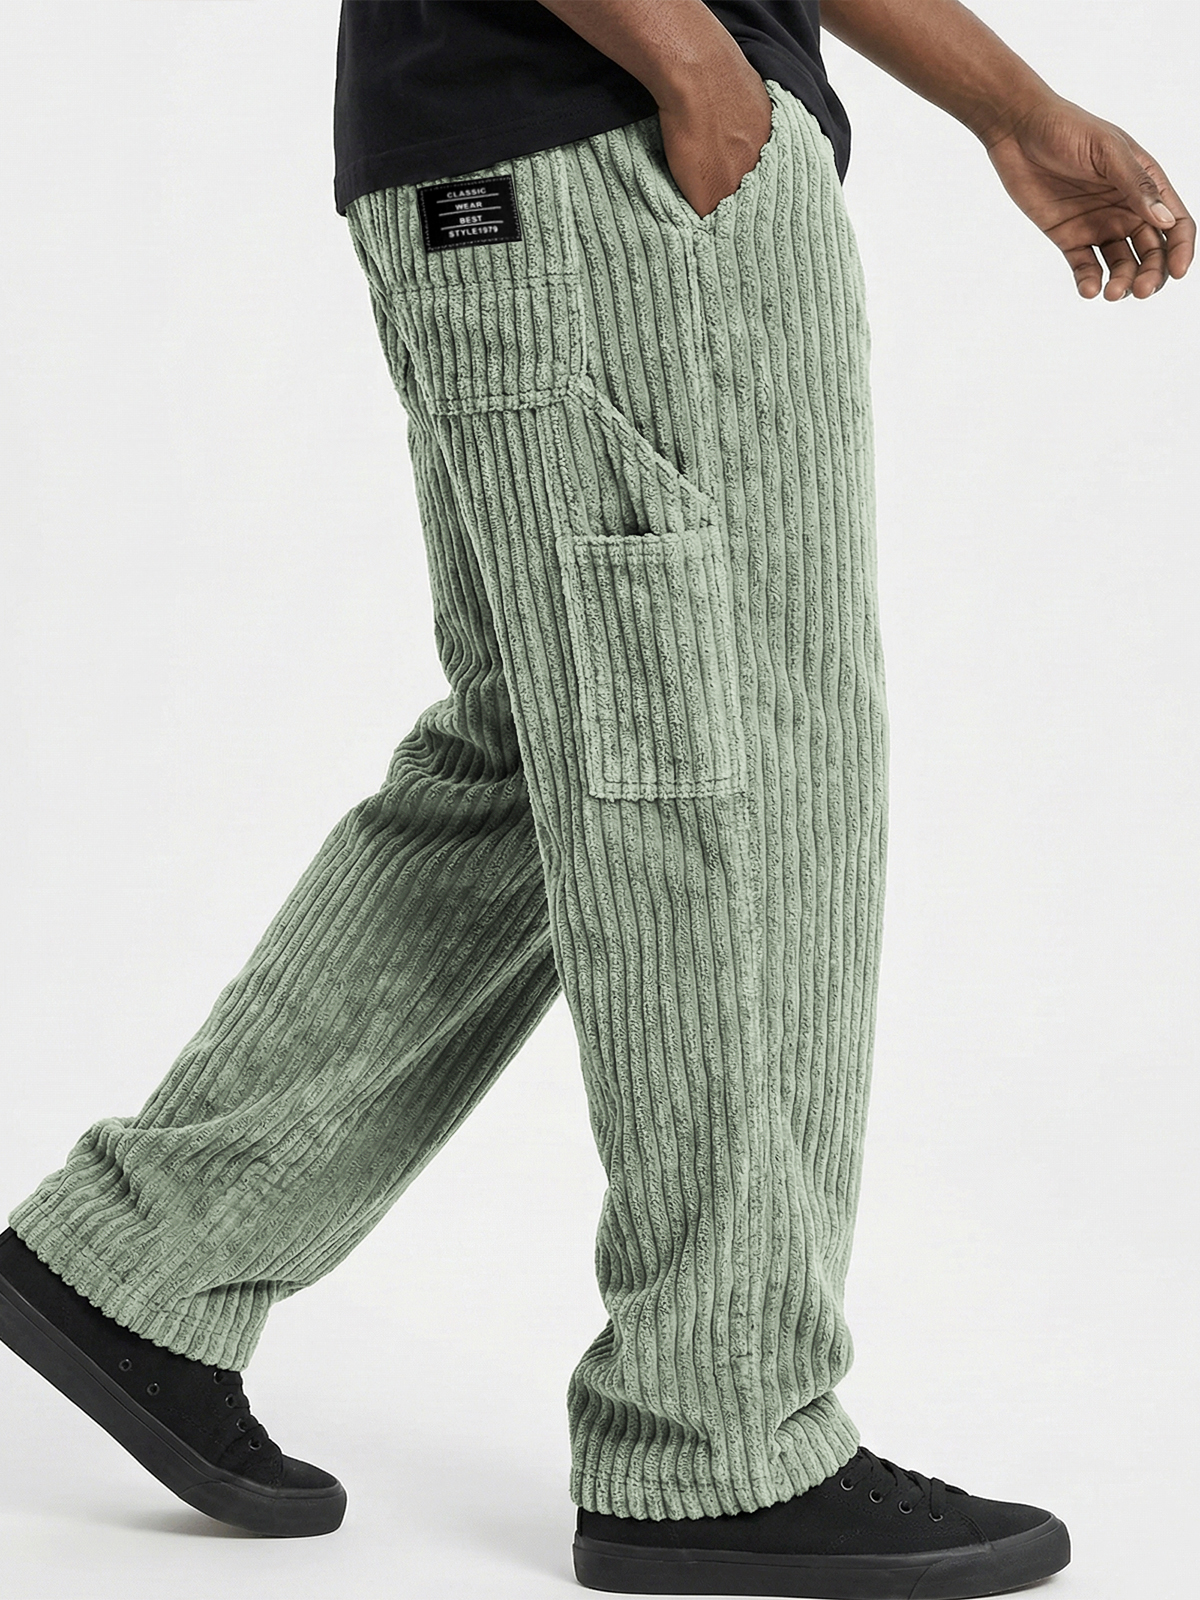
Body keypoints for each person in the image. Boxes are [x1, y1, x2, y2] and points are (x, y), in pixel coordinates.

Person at [0, 0, 1191, 1592]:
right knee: (734, 765)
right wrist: (694, 67)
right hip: (613, 147)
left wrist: (1010, 108)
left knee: (560, 755)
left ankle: (147, 1253)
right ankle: (718, 1433)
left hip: (554, 159)